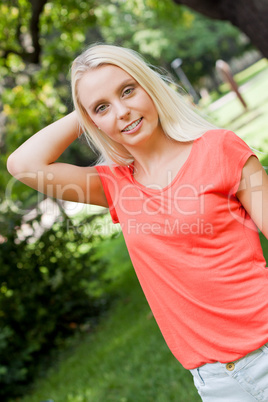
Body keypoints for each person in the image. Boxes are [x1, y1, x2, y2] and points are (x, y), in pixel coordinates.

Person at [7, 44, 268, 401]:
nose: (122, 111)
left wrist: (97, 102)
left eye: (128, 90)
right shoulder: (114, 185)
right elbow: (23, 165)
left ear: (149, 86)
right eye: (102, 107)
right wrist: (82, 112)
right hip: (215, 379)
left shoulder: (219, 148)